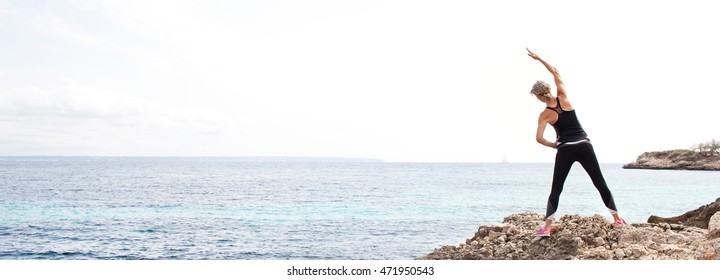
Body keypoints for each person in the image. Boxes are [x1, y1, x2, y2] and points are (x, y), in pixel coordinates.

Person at [526, 48, 627, 236]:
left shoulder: (544, 115)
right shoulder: (563, 97)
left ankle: (546, 228)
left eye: (536, 96)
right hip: (584, 145)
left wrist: (553, 145)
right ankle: (617, 220)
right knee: (600, 182)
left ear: (539, 95)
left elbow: (538, 139)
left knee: (557, 188)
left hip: (565, 149)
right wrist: (539, 58)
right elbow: (555, 72)